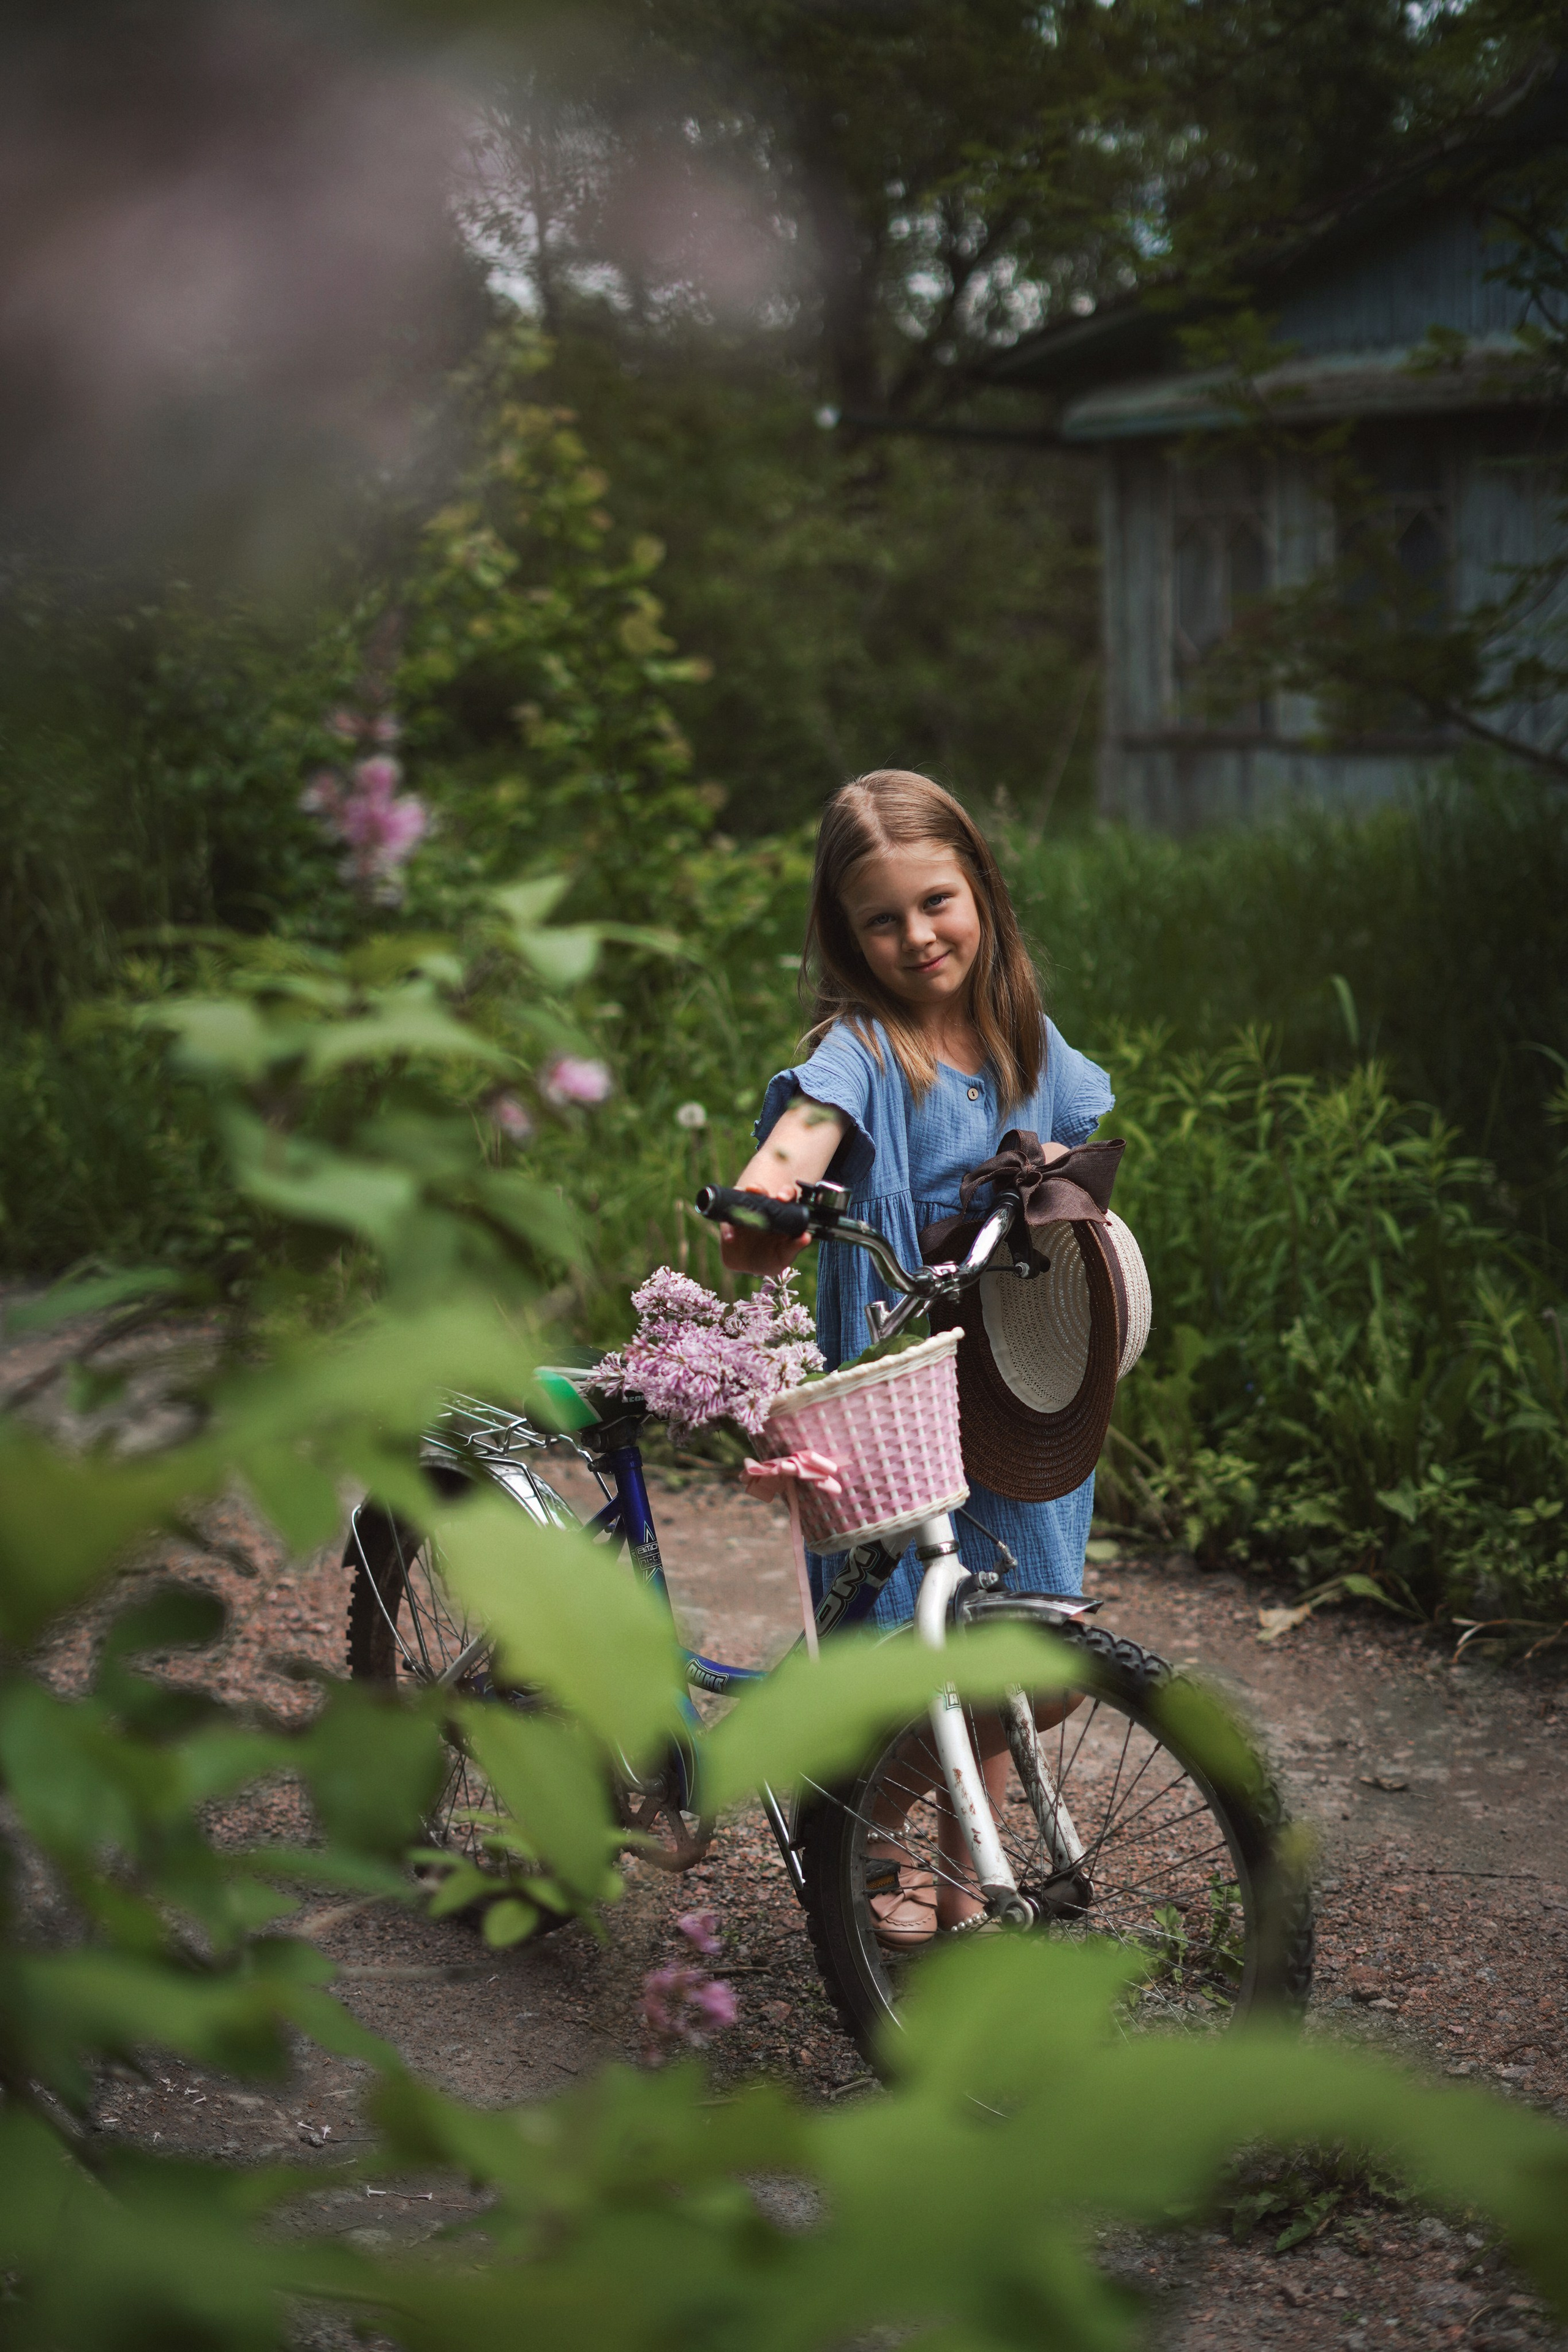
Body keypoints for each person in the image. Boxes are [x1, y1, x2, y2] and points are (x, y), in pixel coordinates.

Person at [721, 767, 1113, 1940]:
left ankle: (907, 1847)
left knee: (1025, 1656)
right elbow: (799, 1140)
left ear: (981, 890)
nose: (916, 937)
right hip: (902, 1400)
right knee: (915, 1647)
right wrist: (770, 1198)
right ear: (846, 936)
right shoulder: (864, 1050)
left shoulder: (1027, 1043)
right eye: (879, 920)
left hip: (1024, 1382)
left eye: (936, 902)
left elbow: (1082, 1152)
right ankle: (908, 1861)